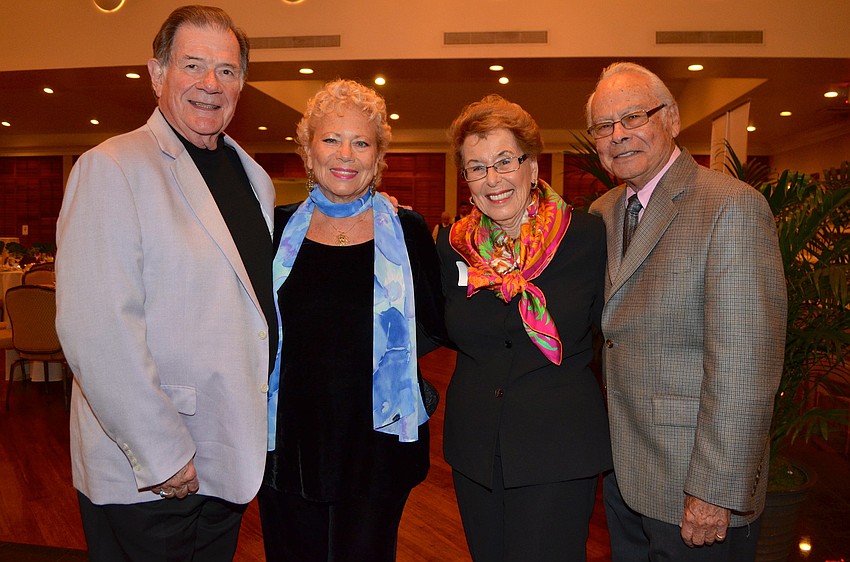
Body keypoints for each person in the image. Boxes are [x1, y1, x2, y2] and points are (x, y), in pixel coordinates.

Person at [55, 6, 276, 561]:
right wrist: (163, 455)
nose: (210, 84)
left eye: (226, 70)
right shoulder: (113, 167)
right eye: (193, 65)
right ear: (157, 74)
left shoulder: (255, 177)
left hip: (226, 462)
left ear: (241, 83)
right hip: (150, 471)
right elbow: (97, 330)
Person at [585, 62, 787, 561]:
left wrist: (715, 490)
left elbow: (746, 365)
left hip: (695, 489)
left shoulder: (731, 207)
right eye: (603, 127)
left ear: (671, 118)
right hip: (623, 477)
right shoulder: (602, 213)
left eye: (634, 117)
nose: (618, 135)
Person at [258, 79, 445, 562]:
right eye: (331, 139)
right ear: (307, 149)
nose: (346, 154)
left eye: (361, 142)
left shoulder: (407, 231)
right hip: (289, 445)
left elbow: (434, 325)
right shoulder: (273, 229)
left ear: (378, 157)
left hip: (377, 446)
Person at [437, 94, 612, 561]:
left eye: (504, 161)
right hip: (475, 449)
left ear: (532, 167)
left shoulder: (589, 238)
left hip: (558, 446)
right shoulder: (450, 247)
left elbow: (623, 332)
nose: (492, 179)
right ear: (466, 180)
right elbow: (424, 324)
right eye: (476, 167)